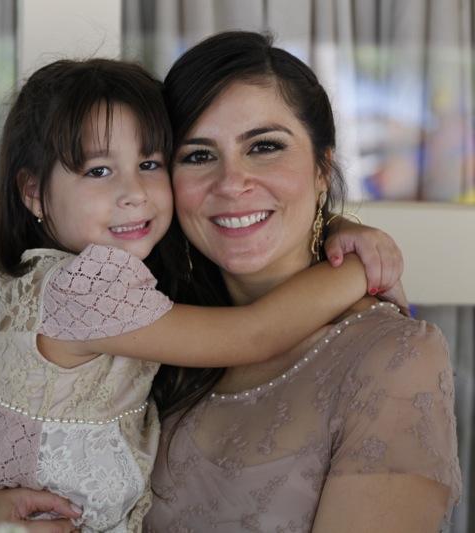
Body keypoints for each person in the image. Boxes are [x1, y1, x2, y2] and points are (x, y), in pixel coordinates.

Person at [0, 56, 408, 532]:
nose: (134, 192)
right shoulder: (87, 287)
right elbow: (252, 335)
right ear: (33, 192)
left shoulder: (46, 278)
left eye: (149, 164)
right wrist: (360, 271)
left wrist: (335, 227)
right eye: (98, 170)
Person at [144, 32, 461, 531]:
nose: (231, 183)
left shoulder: (393, 357)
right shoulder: (151, 327)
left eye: (264, 147)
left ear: (321, 170)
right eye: (198, 155)